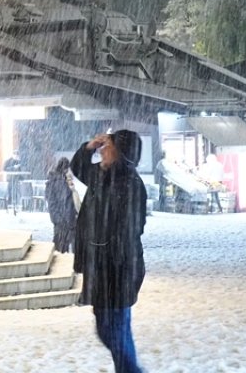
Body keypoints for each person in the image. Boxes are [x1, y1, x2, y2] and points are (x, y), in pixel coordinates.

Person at [71, 131, 148, 373]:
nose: (102, 150)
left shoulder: (130, 183)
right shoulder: (101, 176)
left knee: (115, 329)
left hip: (119, 268)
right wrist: (89, 147)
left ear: (121, 153)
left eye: (108, 146)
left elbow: (131, 229)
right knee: (109, 329)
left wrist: (105, 249)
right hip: (102, 268)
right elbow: (78, 167)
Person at [45, 157, 78, 253]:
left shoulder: (55, 181)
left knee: (61, 253)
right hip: (68, 221)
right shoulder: (59, 181)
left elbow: (52, 203)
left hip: (66, 221)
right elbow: (55, 202)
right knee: (64, 252)